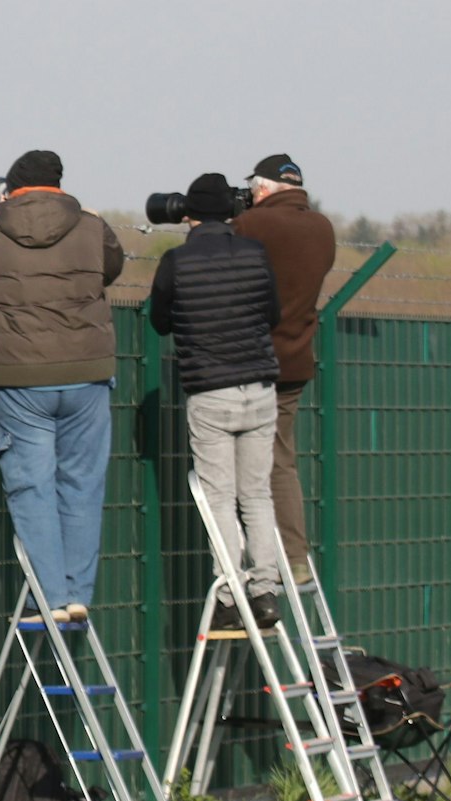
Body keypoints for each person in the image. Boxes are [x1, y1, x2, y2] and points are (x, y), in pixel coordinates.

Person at [0, 150, 124, 623]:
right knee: (82, 485)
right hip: (87, 370)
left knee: (32, 487)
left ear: (12, 188)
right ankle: (78, 592)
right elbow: (110, 268)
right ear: (58, 186)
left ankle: (48, 597)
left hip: (18, 375)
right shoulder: (92, 227)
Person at [149, 174, 284, 630]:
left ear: (188, 214)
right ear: (230, 212)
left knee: (220, 499)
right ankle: (266, 591)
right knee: (257, 495)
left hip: (210, 390)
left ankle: (229, 596)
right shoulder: (255, 253)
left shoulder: (176, 261)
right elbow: (273, 314)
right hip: (260, 388)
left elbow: (159, 321)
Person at [233, 154, 336, 587]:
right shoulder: (323, 228)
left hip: (250, 361)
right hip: (295, 359)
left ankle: (252, 562)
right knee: (281, 461)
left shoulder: (252, 225)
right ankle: (295, 556)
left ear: (262, 189)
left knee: (236, 465)